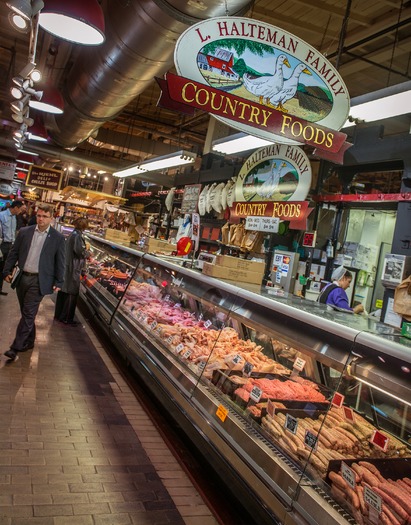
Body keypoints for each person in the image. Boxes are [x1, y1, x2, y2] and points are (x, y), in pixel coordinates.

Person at [2, 203, 66, 363]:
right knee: (26, 313)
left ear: (51, 218)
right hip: (22, 277)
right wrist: (6, 271)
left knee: (29, 313)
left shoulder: (58, 238)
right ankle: (30, 340)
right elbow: (14, 252)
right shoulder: (25, 232)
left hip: (39, 280)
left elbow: (61, 261)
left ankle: (15, 347)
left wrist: (59, 281)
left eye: (45, 216)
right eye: (39, 215)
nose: (41, 219)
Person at [54, 217, 89, 326]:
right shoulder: (77, 236)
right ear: (84, 226)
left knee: (63, 293)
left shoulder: (73, 234)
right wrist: (87, 253)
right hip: (72, 269)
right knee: (71, 293)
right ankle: (67, 318)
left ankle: (59, 315)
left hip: (68, 267)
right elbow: (79, 252)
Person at [0, 200, 25, 296]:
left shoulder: (14, 217)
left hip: (10, 245)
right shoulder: (1, 215)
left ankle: (0, 288)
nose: (20, 212)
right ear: (15, 208)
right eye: (20, 209)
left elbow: (13, 232)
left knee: (4, 268)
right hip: (2, 244)